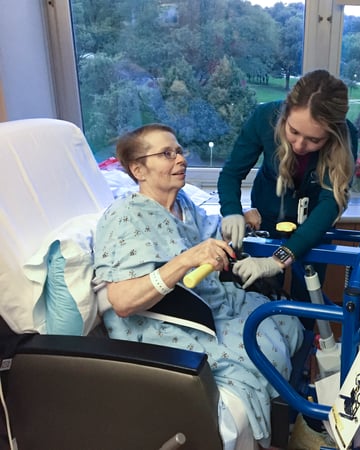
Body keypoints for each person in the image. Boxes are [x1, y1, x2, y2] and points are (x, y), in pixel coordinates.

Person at [93, 123, 304, 446]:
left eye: (179, 151)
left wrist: (241, 220)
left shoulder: (184, 205)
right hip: (162, 326)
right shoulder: (124, 216)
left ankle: (287, 416)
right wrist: (185, 261)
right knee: (259, 351)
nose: (180, 159)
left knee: (286, 319)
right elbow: (121, 301)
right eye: (166, 154)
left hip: (210, 304)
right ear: (139, 169)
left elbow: (209, 235)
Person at [217, 69, 358, 298]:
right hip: (269, 214)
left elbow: (329, 203)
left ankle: (305, 333)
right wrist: (231, 211)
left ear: (332, 135)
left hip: (315, 221)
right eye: (293, 131)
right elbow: (231, 174)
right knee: (266, 290)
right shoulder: (264, 117)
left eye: (314, 140)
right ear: (285, 114)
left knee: (309, 292)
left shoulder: (346, 135)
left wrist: (281, 258)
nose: (300, 145)